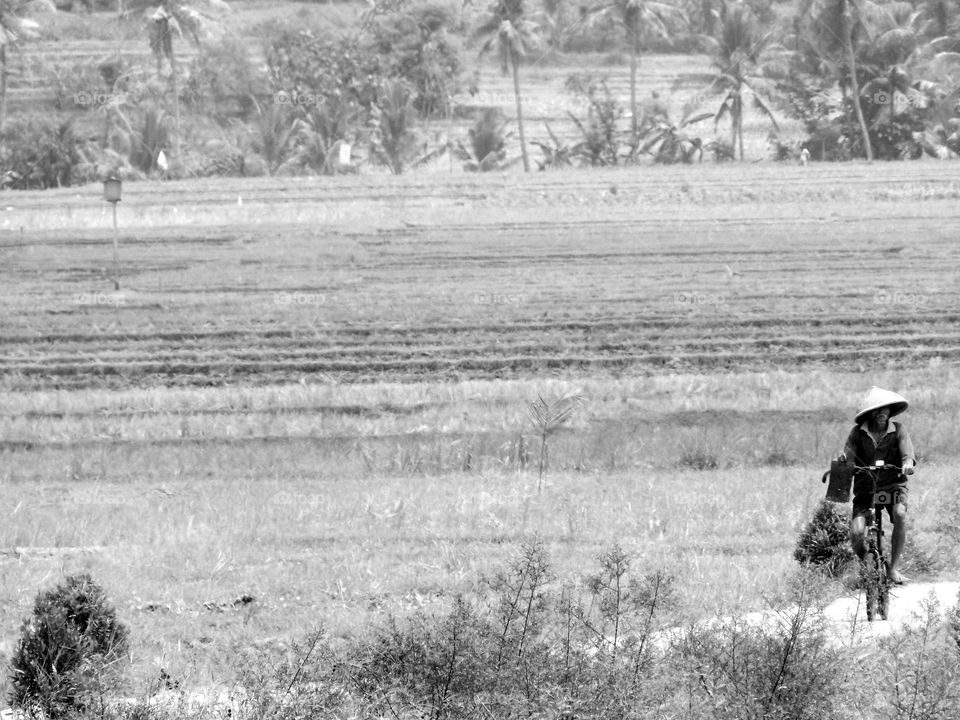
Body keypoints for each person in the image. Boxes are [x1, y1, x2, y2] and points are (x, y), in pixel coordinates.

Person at [838, 386, 916, 584]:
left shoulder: (898, 430)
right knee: (856, 534)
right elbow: (847, 454)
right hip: (866, 489)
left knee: (899, 515)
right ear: (870, 413)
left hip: (892, 486)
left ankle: (893, 569)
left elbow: (907, 454)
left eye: (885, 409)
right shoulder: (857, 433)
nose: (882, 412)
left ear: (890, 411)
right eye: (877, 409)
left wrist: (907, 464)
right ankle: (868, 561)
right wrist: (843, 459)